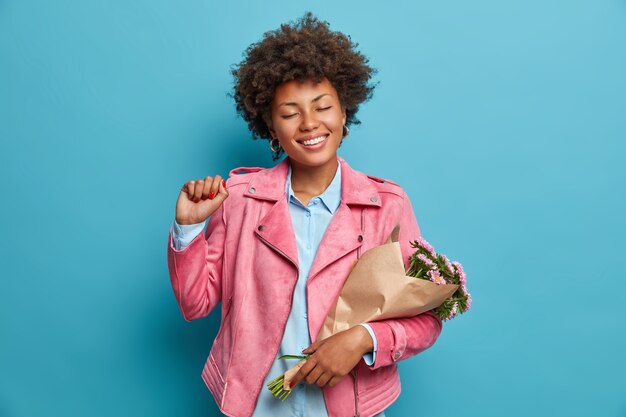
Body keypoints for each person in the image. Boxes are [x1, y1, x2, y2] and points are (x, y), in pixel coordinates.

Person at [167, 12, 443, 417]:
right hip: (257, 406)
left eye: (323, 106)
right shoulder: (240, 200)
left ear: (344, 113)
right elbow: (195, 303)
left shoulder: (388, 205)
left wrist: (363, 339)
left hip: (350, 407)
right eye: (290, 112)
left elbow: (427, 318)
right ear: (270, 126)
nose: (310, 123)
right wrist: (188, 229)